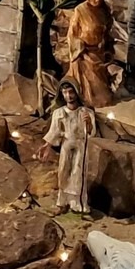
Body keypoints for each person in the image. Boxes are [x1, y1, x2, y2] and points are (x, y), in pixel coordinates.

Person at [59, 0, 116, 109]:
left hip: (99, 53)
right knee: (88, 87)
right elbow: (72, 34)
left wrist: (105, 43)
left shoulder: (104, 10)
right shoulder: (80, 11)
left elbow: (107, 29)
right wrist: (79, 47)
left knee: (104, 95)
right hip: (83, 55)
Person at [46, 79, 98, 215]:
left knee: (78, 174)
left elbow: (91, 133)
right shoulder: (59, 113)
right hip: (67, 145)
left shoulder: (86, 112)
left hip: (81, 146)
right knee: (63, 172)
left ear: (76, 93)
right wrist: (46, 146)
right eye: (65, 92)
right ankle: (62, 202)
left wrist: (88, 124)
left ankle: (78, 204)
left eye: (71, 92)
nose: (68, 96)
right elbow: (54, 132)